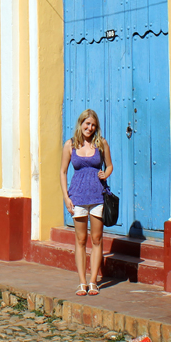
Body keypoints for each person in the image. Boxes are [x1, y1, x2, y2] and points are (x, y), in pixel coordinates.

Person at [59, 108, 113, 296]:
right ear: (80, 123)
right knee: (81, 240)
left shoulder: (101, 143)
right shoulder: (70, 145)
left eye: (93, 125)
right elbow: (63, 172)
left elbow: (110, 165)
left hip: (98, 197)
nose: (89, 128)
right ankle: (82, 281)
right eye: (87, 124)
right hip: (78, 198)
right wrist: (66, 197)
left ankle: (93, 281)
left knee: (97, 239)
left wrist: (105, 173)